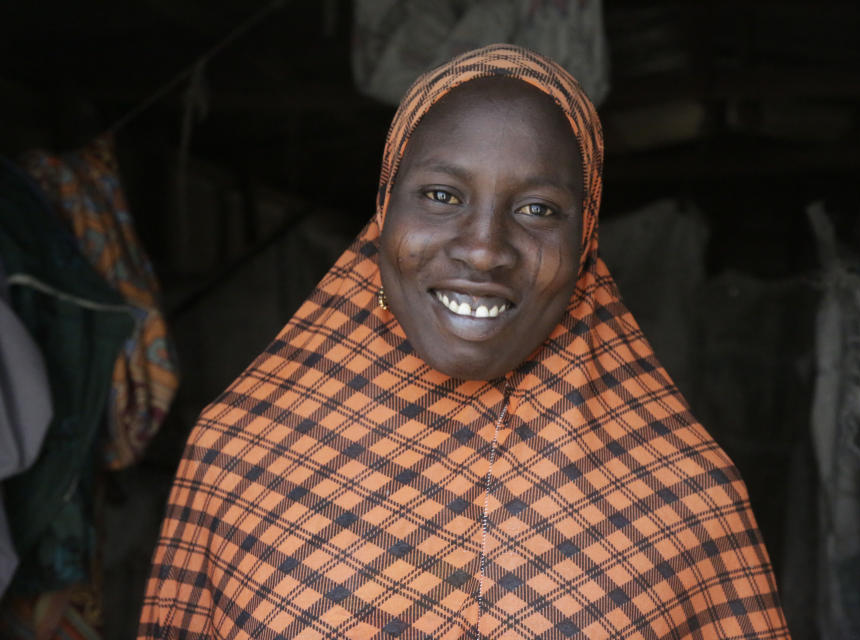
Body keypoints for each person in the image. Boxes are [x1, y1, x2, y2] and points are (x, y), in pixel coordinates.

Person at [139, 44, 790, 639]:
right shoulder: (242, 460)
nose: (483, 250)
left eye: (537, 209)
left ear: (585, 240)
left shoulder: (683, 499)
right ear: (384, 212)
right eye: (442, 195)